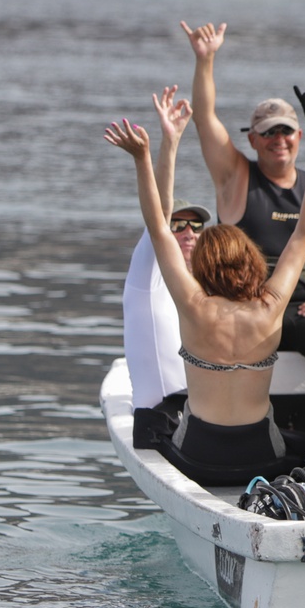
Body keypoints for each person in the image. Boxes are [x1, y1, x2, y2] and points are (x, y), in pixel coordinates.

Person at [105, 95, 305, 487]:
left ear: (203, 264)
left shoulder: (193, 305)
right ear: (251, 261)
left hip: (198, 458)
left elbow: (158, 228)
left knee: (156, 422)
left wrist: (143, 158)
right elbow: (303, 235)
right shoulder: (270, 306)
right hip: (261, 457)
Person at [181, 21, 305, 357]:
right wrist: (205, 60)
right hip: (249, 314)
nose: (278, 140)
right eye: (268, 133)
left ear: (300, 136)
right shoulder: (235, 177)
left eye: (286, 131)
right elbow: (204, 118)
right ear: (251, 139)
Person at [120, 88, 214, 447]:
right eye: (179, 225)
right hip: (158, 421)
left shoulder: (198, 285)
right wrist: (168, 144)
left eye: (196, 225)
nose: (188, 232)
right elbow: (158, 212)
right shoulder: (149, 274)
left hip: (194, 416)